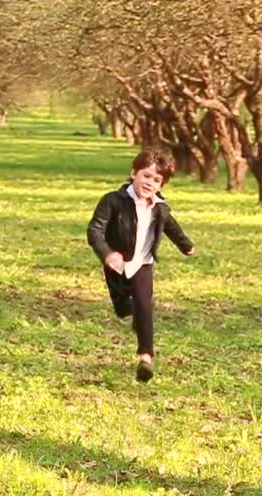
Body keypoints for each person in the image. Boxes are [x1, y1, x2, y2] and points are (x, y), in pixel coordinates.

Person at [86, 147, 195, 382]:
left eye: (157, 180)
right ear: (133, 173)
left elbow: (170, 226)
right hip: (116, 266)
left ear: (161, 185)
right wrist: (107, 254)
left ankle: (146, 357)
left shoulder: (160, 207)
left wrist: (186, 245)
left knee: (145, 306)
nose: (150, 183)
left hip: (143, 264)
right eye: (146, 175)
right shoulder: (113, 201)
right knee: (124, 309)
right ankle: (134, 316)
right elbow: (95, 230)